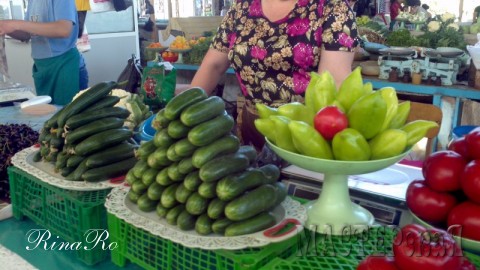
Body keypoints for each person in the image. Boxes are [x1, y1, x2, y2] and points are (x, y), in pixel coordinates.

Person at [177, 0, 358, 150]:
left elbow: (332, 85)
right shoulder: (241, 8)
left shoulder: (333, 8)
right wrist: (186, 113)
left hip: (305, 134)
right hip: (252, 127)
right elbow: (213, 65)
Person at [0, 1, 82, 105]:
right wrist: (5, 27)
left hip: (64, 65)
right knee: (48, 115)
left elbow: (63, 29)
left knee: (65, 116)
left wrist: (16, 24)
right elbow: (26, 34)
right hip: (42, 67)